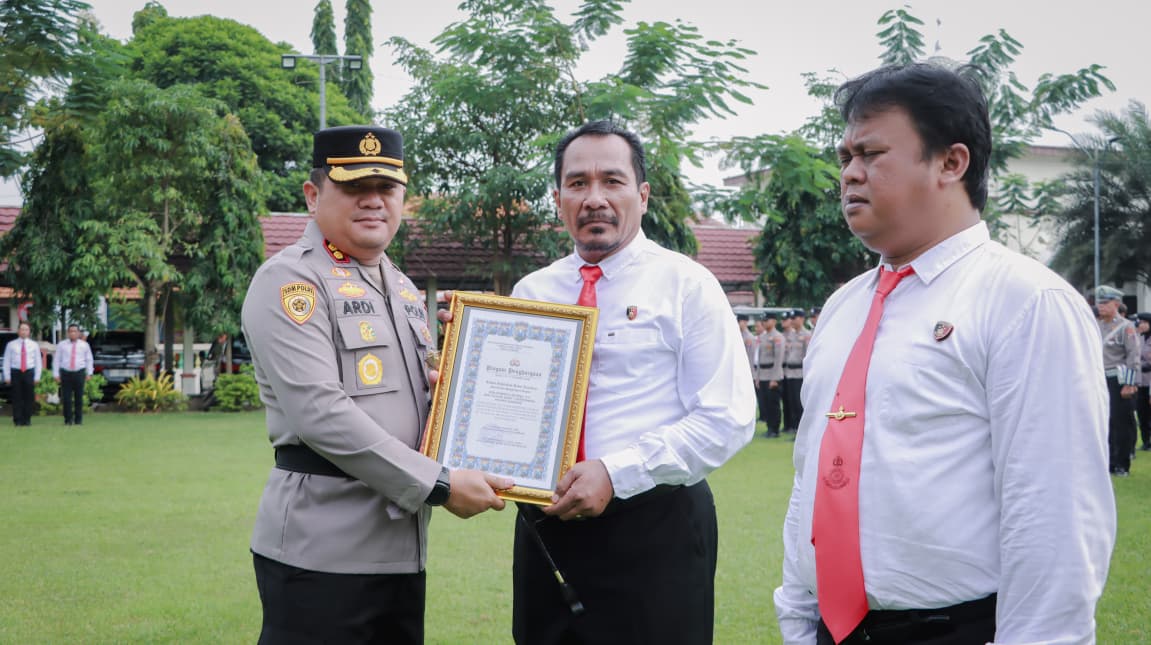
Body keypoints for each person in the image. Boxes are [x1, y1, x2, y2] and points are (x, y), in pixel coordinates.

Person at [775, 63, 1115, 645]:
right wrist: (799, 615)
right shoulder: (844, 307)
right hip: (834, 629)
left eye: (872, 153)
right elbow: (814, 472)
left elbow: (1053, 518)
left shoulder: (1025, 302)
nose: (850, 175)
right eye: (845, 157)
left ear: (951, 163)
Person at [240, 125, 512, 644]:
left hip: (401, 553)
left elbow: (416, 404)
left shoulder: (404, 289)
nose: (373, 201)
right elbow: (320, 413)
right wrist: (440, 483)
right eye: (353, 186)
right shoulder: (291, 282)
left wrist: (461, 390)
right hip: (322, 551)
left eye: (386, 188)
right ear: (313, 194)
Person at [509, 120, 756, 644]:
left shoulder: (687, 285)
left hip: (653, 523)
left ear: (641, 195)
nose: (594, 198)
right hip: (546, 528)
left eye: (612, 181)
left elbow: (727, 417)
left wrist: (616, 474)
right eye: (577, 183)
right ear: (558, 200)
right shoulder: (532, 291)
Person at [1096, 285, 1139, 476]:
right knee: (1104, 422)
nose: (1101, 306)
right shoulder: (1096, 325)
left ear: (1116, 304)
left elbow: (1133, 355)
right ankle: (1109, 462)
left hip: (1118, 380)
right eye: (1099, 303)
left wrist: (1130, 383)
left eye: (1105, 303)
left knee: (1120, 423)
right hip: (1099, 379)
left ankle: (1122, 463)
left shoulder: (1126, 327)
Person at [53, 324, 93, 426]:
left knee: (78, 397)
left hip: (79, 372)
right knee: (66, 398)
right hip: (66, 373)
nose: (73, 333)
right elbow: (57, 360)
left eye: (75, 331)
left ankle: (78, 420)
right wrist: (56, 374)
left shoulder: (84, 345)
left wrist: (89, 373)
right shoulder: (62, 345)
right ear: (68, 333)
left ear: (79, 333)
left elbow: (89, 360)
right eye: (71, 331)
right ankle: (68, 420)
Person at [4, 322, 42, 427]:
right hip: (16, 372)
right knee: (17, 397)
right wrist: (7, 376)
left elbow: (38, 361)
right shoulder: (11, 344)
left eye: (26, 329)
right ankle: (17, 420)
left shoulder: (34, 345)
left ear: (29, 332)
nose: (24, 331)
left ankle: (27, 419)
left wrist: (37, 376)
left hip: (29, 372)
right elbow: (7, 361)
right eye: (22, 329)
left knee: (29, 397)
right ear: (18, 331)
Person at [755, 312, 785, 437]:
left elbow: (778, 359)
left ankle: (775, 429)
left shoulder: (778, 337)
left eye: (767, 320)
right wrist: (757, 377)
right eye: (763, 320)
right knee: (765, 403)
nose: (764, 322)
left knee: (773, 404)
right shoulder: (762, 337)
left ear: (773, 321)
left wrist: (775, 378)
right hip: (762, 374)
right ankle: (769, 428)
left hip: (772, 374)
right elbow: (759, 358)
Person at [781, 308, 810, 433]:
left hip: (800, 373)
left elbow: (808, 356)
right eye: (791, 318)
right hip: (789, 372)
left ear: (802, 319)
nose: (792, 321)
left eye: (795, 318)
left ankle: (801, 429)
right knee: (791, 402)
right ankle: (793, 427)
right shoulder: (790, 335)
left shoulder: (807, 335)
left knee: (799, 403)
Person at [1136, 312, 1151, 452]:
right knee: (1142, 413)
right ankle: (1146, 441)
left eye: (1144, 322)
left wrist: (1139, 365)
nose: (1141, 325)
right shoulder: (1138, 338)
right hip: (1140, 382)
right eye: (1140, 322)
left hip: (1150, 381)